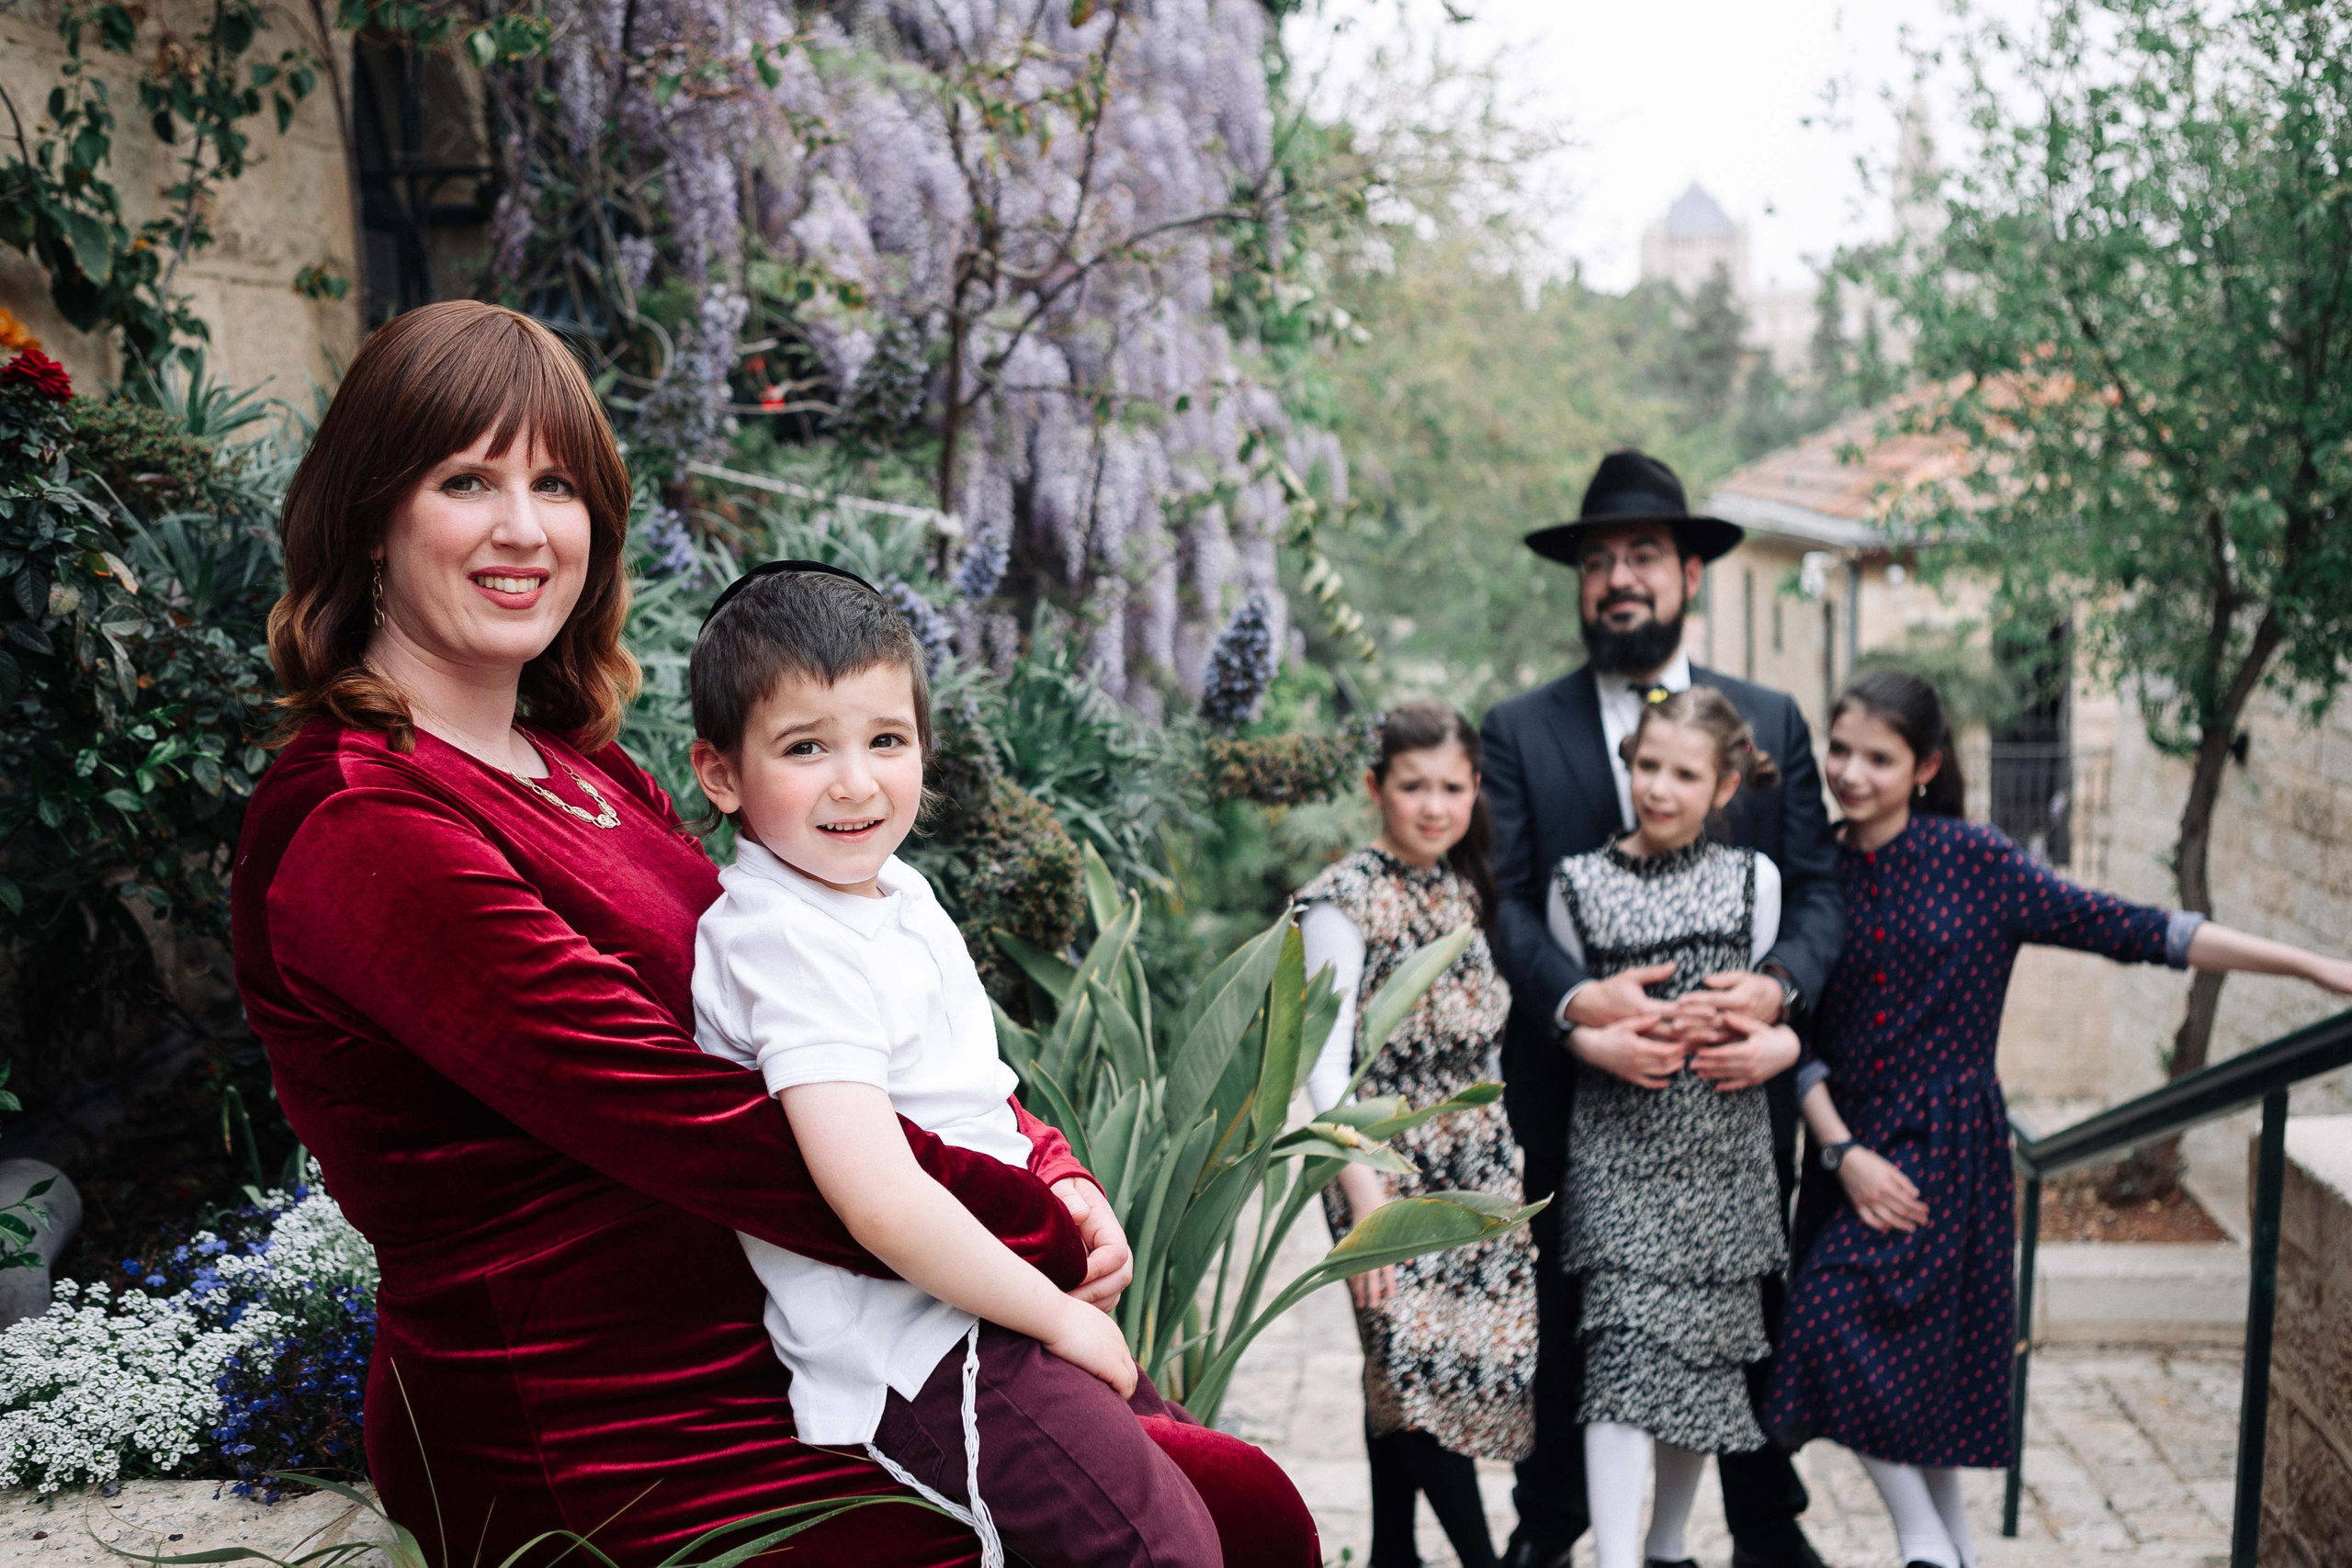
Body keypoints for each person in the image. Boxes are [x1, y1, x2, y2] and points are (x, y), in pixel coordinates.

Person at [232, 299, 1316, 1567]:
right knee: (1181, 1526)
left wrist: (1046, 1152)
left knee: (1239, 1501)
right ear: (371, 516)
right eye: (467, 480)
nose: (523, 528)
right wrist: (1027, 1223)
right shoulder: (365, 818)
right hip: (601, 1406)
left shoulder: (578, 770)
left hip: (784, 1320)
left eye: (557, 484)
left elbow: (830, 1002)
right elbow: (689, 1115)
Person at [686, 562, 1218, 1568]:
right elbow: (877, 1199)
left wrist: (1063, 1181)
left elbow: (979, 1096)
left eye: (886, 740)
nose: (856, 782)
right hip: (922, 1349)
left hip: (996, 1298)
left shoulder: (896, 890)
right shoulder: (780, 939)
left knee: (1209, 1487)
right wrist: (1060, 1319)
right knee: (1154, 1545)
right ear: (721, 775)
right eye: (806, 747)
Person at [1763, 671, 2352, 1568]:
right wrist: (1838, 1149)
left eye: (1876, 757)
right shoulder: (1813, 871)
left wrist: (2312, 967)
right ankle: (1937, 1547)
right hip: (1846, 1148)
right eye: (1837, 750)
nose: (1849, 772)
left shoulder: (1976, 861)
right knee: (1834, 1330)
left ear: (1923, 766)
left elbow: (2145, 931)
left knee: (1871, 1347)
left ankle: (1928, 1547)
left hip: (1949, 1154)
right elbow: (1787, 1031)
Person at [1481, 449, 1845, 1568]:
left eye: (1643, 555)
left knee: (1724, 1322)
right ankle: (1553, 1535)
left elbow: (1817, 891)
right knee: (1580, 1327)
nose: (1619, 578)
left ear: (1689, 570)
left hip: (1732, 1103)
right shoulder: (1518, 727)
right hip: (1580, 1099)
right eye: (1598, 561)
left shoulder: (1771, 720)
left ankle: (1752, 1532)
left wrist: (1781, 998)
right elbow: (1502, 899)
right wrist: (1574, 1009)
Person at [1545, 689, 1800, 1568]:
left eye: (1684, 773)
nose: (1660, 786)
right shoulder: (1576, 884)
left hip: (1721, 1152)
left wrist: (1772, 1039)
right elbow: (1567, 1012)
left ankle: (1667, 1545)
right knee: (1620, 1351)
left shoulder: (1753, 881)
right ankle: (1617, 1559)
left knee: (1699, 1358)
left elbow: (1766, 1000)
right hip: (1617, 1149)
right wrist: (1592, 1036)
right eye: (1647, 766)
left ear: (1724, 786)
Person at [1295, 702, 1539, 1568]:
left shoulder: (1466, 889)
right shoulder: (1344, 899)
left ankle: (1395, 1549)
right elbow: (1321, 1064)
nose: (1433, 806)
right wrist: (1366, 1190)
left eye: (1451, 787)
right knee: (1411, 1370)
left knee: (1416, 1379)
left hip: (1478, 1165)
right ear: (1376, 789)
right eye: (1412, 786)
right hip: (1385, 1167)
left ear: (1475, 790)